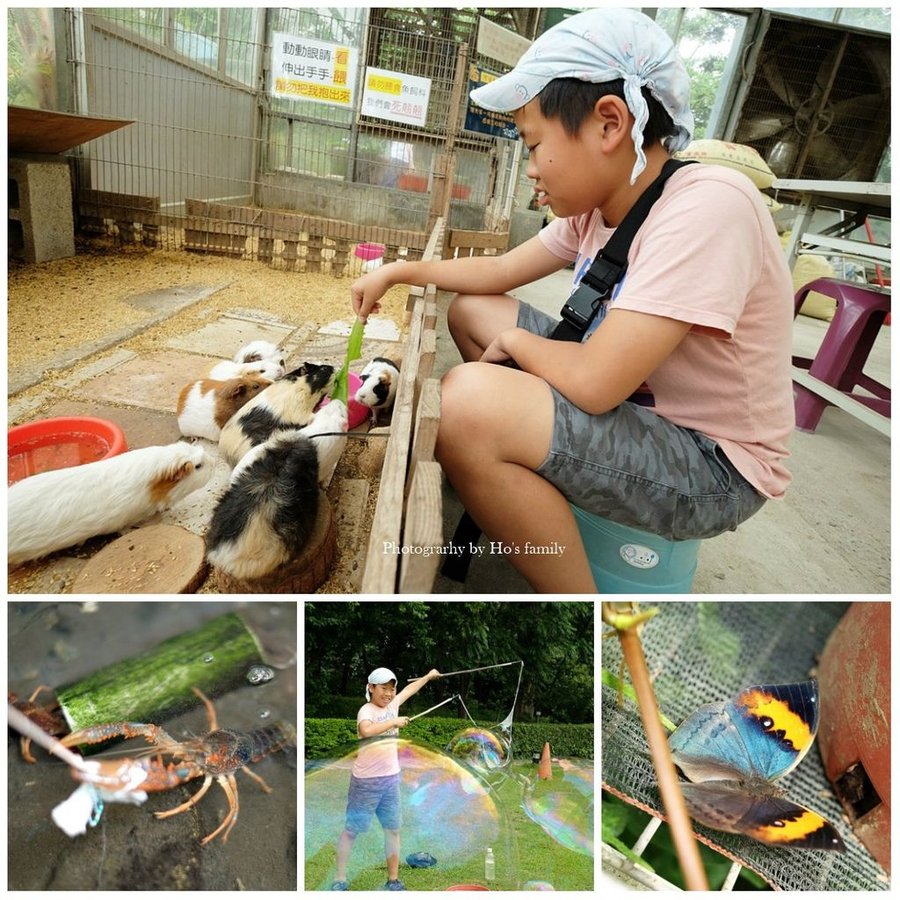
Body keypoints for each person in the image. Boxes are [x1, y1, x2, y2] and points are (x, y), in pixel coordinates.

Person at [350, 9, 794, 593]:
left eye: (534, 145)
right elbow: (501, 271)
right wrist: (399, 272)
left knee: (465, 406)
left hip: (710, 464)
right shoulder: (600, 206)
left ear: (609, 124)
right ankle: (529, 476)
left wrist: (516, 343)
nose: (530, 169)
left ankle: (577, 604)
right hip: (640, 405)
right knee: (471, 312)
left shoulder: (709, 206)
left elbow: (595, 384)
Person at [331, 666, 441, 891]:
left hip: (390, 780)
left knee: (393, 829)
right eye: (383, 688)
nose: (389, 693)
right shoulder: (367, 710)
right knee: (352, 830)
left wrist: (428, 677)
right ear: (371, 688)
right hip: (366, 782)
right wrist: (393, 722)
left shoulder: (393, 705)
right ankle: (339, 879)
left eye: (392, 689)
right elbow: (366, 731)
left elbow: (410, 690)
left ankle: (393, 880)